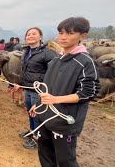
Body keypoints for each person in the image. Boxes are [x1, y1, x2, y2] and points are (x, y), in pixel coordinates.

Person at [29, 17, 100, 166]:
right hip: (46, 119)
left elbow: (88, 92)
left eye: (70, 33)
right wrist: (39, 104)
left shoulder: (85, 62)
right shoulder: (56, 60)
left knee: (65, 161)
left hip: (64, 123)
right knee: (46, 158)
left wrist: (56, 99)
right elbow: (47, 86)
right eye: (61, 33)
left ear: (83, 36)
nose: (63, 37)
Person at [18, 27, 58, 149]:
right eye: (28, 34)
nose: (30, 36)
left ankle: (37, 138)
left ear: (40, 37)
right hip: (28, 88)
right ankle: (32, 131)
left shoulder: (48, 53)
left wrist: (46, 90)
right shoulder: (26, 51)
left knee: (38, 115)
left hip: (39, 91)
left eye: (34, 34)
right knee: (30, 112)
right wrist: (20, 84)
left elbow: (54, 74)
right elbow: (25, 71)